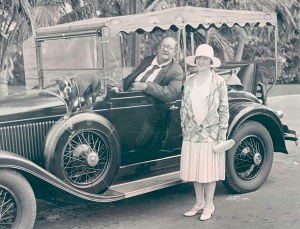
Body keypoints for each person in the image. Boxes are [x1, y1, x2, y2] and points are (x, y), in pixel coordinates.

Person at [180, 44, 230, 221]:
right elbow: (183, 107)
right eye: (198, 58)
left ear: (211, 62)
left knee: (209, 170)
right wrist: (185, 128)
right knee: (195, 168)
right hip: (192, 131)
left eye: (204, 58)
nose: (200, 61)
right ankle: (199, 202)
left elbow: (224, 108)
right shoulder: (189, 80)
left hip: (211, 131)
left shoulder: (219, 82)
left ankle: (209, 204)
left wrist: (222, 132)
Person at [123, 36, 183, 102]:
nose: (165, 49)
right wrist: (118, 86)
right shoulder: (148, 60)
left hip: (145, 105)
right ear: (158, 48)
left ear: (175, 52)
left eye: (169, 48)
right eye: (163, 46)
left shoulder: (176, 70)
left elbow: (171, 94)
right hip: (126, 96)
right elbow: (132, 76)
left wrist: (145, 87)